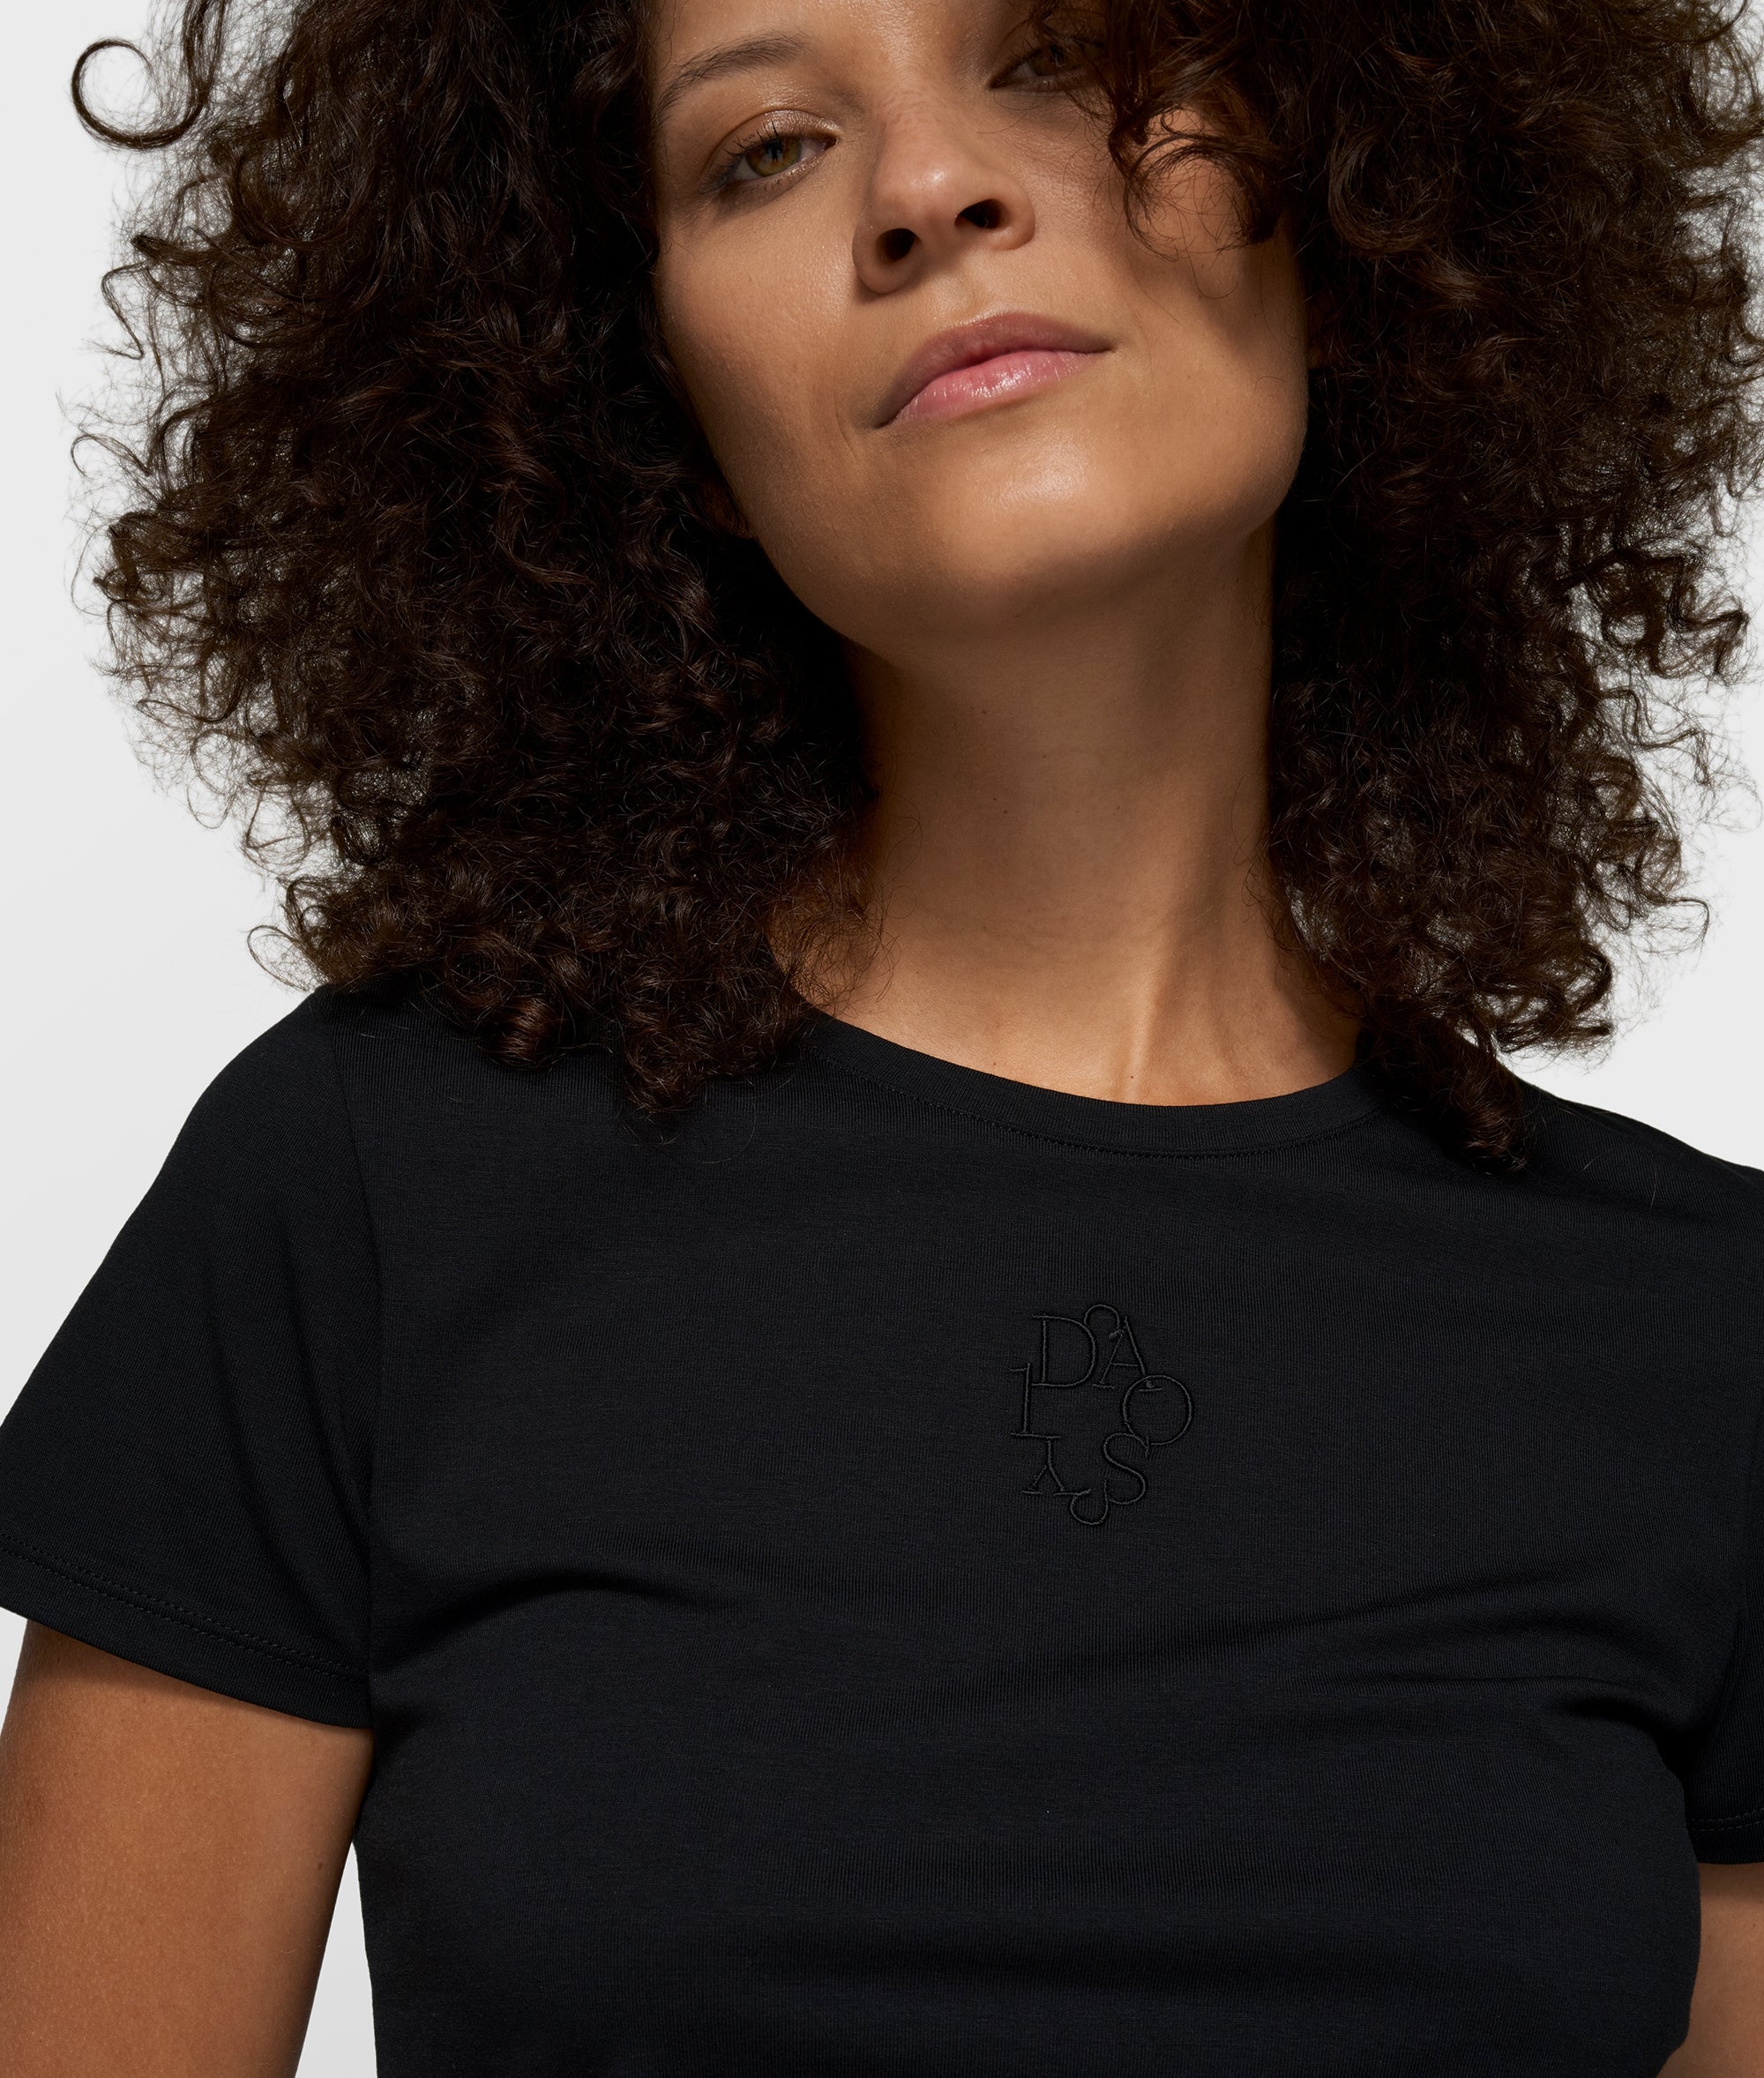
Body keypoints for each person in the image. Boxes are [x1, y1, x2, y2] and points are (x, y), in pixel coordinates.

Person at [2, 0, 1764, 2070]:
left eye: (1060, 53)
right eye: (762, 149)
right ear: (660, 418)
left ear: (1354, 207)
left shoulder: (1706, 1337)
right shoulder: (371, 1192)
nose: (930, 188)